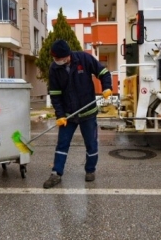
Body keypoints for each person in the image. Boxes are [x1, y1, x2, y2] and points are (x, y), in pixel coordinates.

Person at [43, 39, 112, 189]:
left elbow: (104, 73)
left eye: (59, 59)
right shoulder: (54, 68)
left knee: (91, 144)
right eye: (55, 59)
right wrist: (60, 115)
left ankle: (90, 170)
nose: (56, 61)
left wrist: (107, 87)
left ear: (67, 55)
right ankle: (56, 173)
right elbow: (55, 94)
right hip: (68, 114)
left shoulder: (84, 59)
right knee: (62, 144)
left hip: (87, 112)